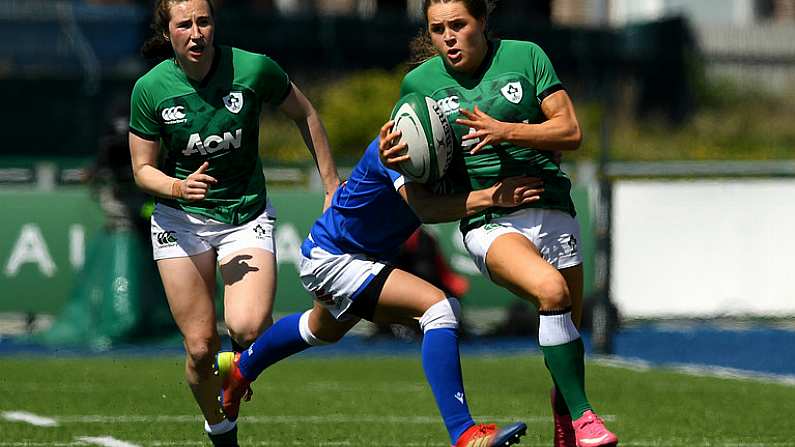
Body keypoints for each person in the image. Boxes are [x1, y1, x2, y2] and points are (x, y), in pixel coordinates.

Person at [385, 1, 620, 446]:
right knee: (551, 292)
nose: (448, 37)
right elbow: (417, 187)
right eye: (438, 29)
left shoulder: (526, 56)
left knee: (566, 327)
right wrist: (393, 156)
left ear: (483, 22)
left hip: (553, 207)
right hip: (489, 222)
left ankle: (566, 417)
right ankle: (586, 416)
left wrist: (506, 130)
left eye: (459, 25)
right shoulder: (419, 85)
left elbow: (570, 131)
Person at [215, 134, 543, 447]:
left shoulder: (447, 148)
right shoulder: (397, 146)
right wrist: (491, 196)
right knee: (440, 309)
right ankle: (464, 432)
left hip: (346, 255)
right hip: (333, 257)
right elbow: (425, 209)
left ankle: (241, 370)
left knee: (320, 330)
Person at [127, 0, 339, 445]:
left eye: (203, 21)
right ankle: (220, 428)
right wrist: (177, 188)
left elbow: (306, 114)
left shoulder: (254, 69)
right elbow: (142, 170)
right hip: (180, 221)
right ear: (168, 33)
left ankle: (240, 366)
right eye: (184, 24)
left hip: (246, 216)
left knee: (246, 328)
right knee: (201, 348)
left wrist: (331, 185)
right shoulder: (150, 89)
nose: (196, 32)